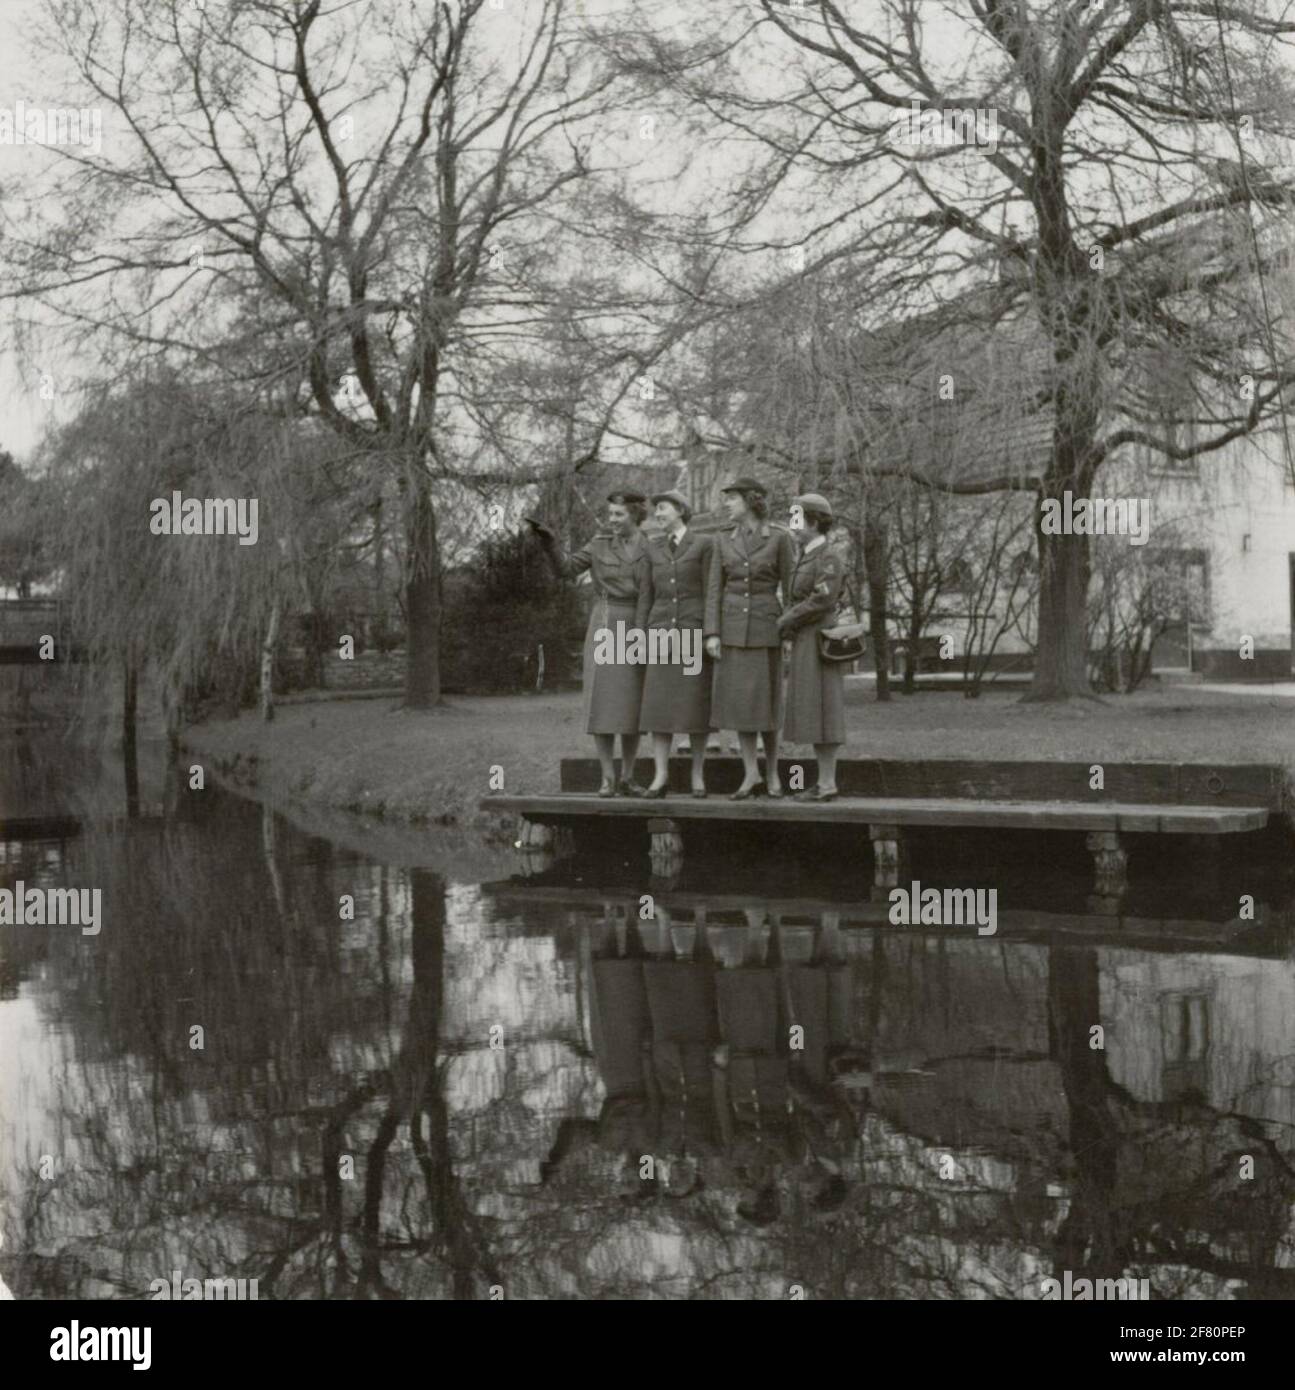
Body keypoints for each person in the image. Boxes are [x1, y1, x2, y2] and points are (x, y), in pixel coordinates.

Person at [530, 492, 650, 797]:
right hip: (605, 622)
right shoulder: (598, 544)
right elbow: (566, 570)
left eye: (619, 515)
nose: (612, 520)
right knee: (604, 702)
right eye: (610, 514)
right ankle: (607, 777)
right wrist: (550, 544)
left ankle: (629, 776)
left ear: (635, 515)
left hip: (639, 622)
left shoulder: (650, 546)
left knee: (632, 704)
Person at [703, 477, 795, 800]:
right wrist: (712, 632)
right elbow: (714, 589)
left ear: (751, 501)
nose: (726, 504)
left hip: (766, 630)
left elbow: (792, 589)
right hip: (731, 632)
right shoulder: (723, 540)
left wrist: (788, 633)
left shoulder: (779, 538)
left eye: (732, 499)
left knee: (766, 707)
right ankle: (749, 773)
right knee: (742, 706)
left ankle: (772, 774)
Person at [640, 490, 715, 798]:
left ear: (681, 510)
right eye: (656, 509)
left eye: (662, 508)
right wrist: (639, 636)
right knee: (659, 708)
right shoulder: (652, 548)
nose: (657, 514)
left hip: (691, 632)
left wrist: (711, 632)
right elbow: (647, 594)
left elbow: (711, 592)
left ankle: (698, 775)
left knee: (695, 706)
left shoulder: (704, 544)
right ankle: (660, 775)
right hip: (659, 633)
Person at [779, 493, 846, 801]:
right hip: (807, 637)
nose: (792, 525)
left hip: (821, 639)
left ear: (815, 521)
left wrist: (786, 619)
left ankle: (828, 782)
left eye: (797, 518)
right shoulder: (805, 554)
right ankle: (824, 782)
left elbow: (822, 598)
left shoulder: (827, 555)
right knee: (814, 710)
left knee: (825, 710)